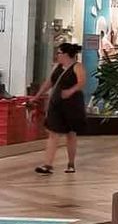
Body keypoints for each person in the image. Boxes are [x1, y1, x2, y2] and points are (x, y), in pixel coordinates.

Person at [34, 43, 87, 174]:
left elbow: (81, 82)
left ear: (66, 54)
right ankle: (48, 165)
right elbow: (49, 82)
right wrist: (37, 96)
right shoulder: (57, 67)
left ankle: (71, 163)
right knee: (53, 133)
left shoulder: (77, 67)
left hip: (72, 105)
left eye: (59, 53)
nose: (57, 56)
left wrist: (70, 91)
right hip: (57, 104)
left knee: (71, 133)